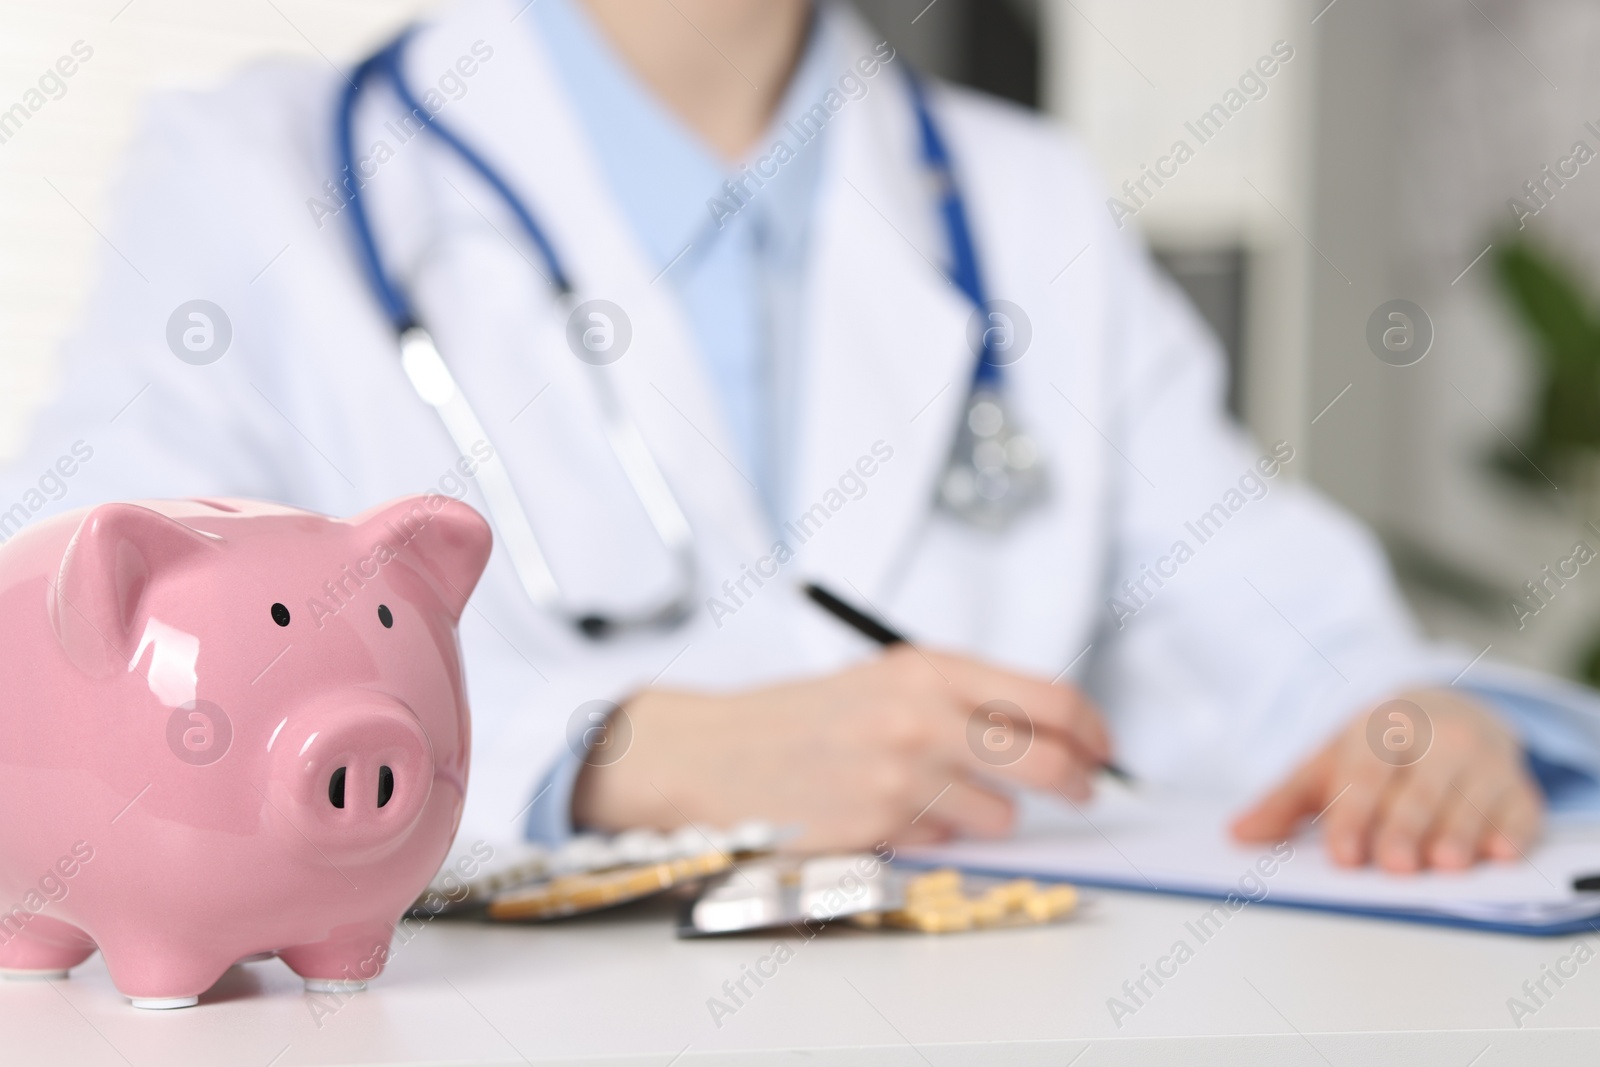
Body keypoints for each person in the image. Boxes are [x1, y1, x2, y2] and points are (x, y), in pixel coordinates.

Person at [4, 0, 1597, 874]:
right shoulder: (252, 170)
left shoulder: (1020, 198)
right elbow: (73, 665)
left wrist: (1414, 720)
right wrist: (612, 750)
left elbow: (1259, 605)